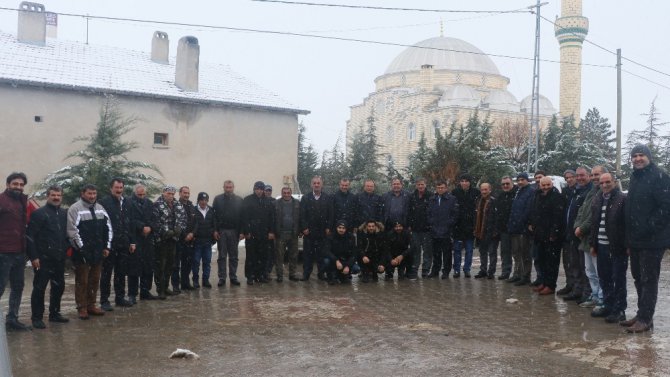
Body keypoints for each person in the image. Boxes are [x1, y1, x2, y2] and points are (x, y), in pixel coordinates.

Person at [622, 145, 670, 333]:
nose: (638, 158)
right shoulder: (635, 177)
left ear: (649, 157)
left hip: (652, 240)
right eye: (634, 156)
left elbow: (666, 207)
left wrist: (649, 227)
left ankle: (645, 318)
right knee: (638, 277)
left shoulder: (660, 177)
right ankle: (641, 313)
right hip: (635, 240)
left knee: (649, 279)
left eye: (641, 155)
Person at [26, 185, 70, 329]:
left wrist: (66, 250)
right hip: (43, 259)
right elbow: (30, 236)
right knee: (39, 288)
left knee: (59, 286)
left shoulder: (64, 213)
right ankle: (37, 317)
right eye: (53, 195)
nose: (56, 198)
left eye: (58, 195)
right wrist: (34, 257)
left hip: (59, 257)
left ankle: (55, 313)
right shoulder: (39, 214)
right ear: (48, 196)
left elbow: (65, 235)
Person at [67, 184, 112, 319]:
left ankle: (91, 304)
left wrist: (106, 246)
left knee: (94, 279)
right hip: (82, 252)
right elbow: (72, 231)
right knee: (82, 281)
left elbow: (108, 228)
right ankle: (82, 307)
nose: (92, 196)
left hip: (98, 251)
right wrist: (81, 249)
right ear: (83, 193)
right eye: (89, 194)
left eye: (94, 194)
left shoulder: (100, 208)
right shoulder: (75, 209)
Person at [589, 173, 627, 323]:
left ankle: (619, 310)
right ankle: (608, 305)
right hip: (601, 246)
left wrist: (627, 245)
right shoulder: (598, 198)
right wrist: (593, 244)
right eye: (602, 182)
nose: (605, 185)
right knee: (604, 278)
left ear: (614, 182)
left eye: (608, 182)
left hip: (617, 247)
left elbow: (627, 224)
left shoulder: (623, 199)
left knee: (618, 279)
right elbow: (594, 223)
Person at [99, 178, 135, 310]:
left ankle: (120, 298)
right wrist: (104, 244)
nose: (119, 190)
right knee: (107, 273)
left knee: (121, 272)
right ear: (111, 188)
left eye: (121, 188)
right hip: (109, 244)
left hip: (124, 243)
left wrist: (132, 241)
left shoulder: (127, 202)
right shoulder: (103, 203)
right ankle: (104, 300)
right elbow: (101, 225)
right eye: (116, 188)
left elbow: (129, 222)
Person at [574, 166, 607, 308]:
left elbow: (594, 216)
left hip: (596, 237)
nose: (594, 177)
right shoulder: (591, 192)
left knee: (600, 271)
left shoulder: (604, 192)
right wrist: (577, 225)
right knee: (590, 271)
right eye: (593, 175)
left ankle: (602, 298)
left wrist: (582, 228)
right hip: (585, 238)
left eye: (597, 174)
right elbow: (582, 211)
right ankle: (594, 295)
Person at [0, 172, 30, 331]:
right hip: (3, 252)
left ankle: (12, 320)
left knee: (18, 287)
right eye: (15, 184)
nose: (18, 187)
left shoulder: (22, 201)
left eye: (21, 185)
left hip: (19, 252)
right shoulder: (1, 200)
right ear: (8, 185)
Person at [528, 177, 565, 295]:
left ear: (552, 184)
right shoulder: (537, 195)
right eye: (543, 185)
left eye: (547, 184)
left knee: (551, 262)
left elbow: (558, 216)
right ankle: (543, 282)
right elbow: (534, 212)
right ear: (539, 185)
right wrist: (532, 224)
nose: (545, 187)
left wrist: (554, 233)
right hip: (539, 233)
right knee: (541, 260)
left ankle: (550, 285)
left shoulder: (556, 196)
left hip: (551, 235)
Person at [562, 167, 593, 302]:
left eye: (582, 175)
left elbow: (588, 215)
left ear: (589, 176)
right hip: (572, 233)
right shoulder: (577, 191)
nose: (579, 178)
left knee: (584, 266)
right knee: (574, 264)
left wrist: (581, 228)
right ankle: (577, 289)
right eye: (578, 176)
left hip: (582, 234)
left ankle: (587, 293)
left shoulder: (590, 192)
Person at [151, 185, 187, 299]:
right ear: (163, 193)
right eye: (168, 193)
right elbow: (155, 222)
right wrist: (167, 232)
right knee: (160, 266)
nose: (171, 196)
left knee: (170, 265)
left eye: (172, 194)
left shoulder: (178, 204)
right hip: (161, 240)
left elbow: (183, 218)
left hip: (174, 240)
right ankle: (160, 290)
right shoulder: (157, 205)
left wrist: (179, 229)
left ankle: (166, 287)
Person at [241, 181, 275, 285]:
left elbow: (272, 217)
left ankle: (261, 275)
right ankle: (250, 276)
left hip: (264, 233)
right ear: (254, 189)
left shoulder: (268, 201)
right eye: (257, 189)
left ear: (263, 190)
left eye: (261, 189)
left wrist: (271, 231)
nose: (259, 191)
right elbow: (244, 217)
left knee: (263, 255)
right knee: (251, 256)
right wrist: (246, 231)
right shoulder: (247, 200)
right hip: (251, 233)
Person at [299, 176, 333, 281]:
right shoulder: (306, 198)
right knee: (307, 255)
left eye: (318, 183)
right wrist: (304, 228)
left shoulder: (327, 198)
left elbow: (331, 214)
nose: (316, 185)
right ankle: (306, 274)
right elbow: (302, 214)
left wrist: (328, 227)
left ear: (321, 185)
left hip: (323, 232)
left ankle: (321, 273)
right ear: (311, 185)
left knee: (321, 255)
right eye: (315, 183)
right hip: (309, 232)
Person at [129, 184, 156, 301]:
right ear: (135, 193)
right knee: (134, 268)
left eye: (143, 194)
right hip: (136, 238)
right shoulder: (129, 203)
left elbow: (155, 218)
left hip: (148, 239)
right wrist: (141, 227)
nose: (142, 196)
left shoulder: (149, 203)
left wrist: (150, 227)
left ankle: (145, 291)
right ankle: (132, 294)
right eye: (139, 194)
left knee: (148, 267)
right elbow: (129, 219)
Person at [213, 180, 243, 287]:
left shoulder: (239, 200)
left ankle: (233, 277)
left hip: (234, 231)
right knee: (222, 256)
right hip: (222, 231)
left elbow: (242, 218)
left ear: (233, 187)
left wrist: (242, 232)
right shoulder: (218, 199)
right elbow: (214, 217)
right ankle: (222, 278)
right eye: (227, 187)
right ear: (223, 187)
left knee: (234, 256)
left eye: (230, 187)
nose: (228, 189)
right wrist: (215, 230)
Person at [507, 172, 535, 286]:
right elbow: (514, 210)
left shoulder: (530, 192)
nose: (520, 182)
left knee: (525, 254)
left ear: (527, 180)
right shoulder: (519, 191)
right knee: (516, 253)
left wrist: (524, 223)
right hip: (515, 227)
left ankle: (525, 276)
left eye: (522, 179)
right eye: (518, 180)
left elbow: (528, 210)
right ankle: (517, 274)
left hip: (523, 228)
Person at [427, 180, 459, 278]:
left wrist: (449, 224)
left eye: (442, 187)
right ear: (436, 188)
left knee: (447, 253)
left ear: (446, 188)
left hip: (446, 231)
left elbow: (455, 214)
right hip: (434, 230)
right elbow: (428, 213)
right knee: (436, 253)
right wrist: (431, 223)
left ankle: (446, 271)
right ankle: (435, 271)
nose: (440, 189)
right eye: (438, 187)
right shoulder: (432, 199)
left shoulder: (452, 199)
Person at [452, 174, 480, 278]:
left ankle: (467, 269)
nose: (464, 183)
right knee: (457, 250)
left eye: (466, 181)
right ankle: (456, 270)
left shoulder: (476, 192)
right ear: (459, 182)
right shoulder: (455, 193)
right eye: (462, 181)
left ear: (470, 182)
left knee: (469, 250)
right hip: (458, 226)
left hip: (470, 226)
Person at [557, 169, 577, 295]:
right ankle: (569, 284)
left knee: (576, 262)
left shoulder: (579, 191)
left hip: (575, 231)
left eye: (571, 177)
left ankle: (577, 287)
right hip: (565, 231)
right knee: (566, 261)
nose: (569, 179)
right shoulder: (565, 191)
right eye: (567, 178)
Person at [407, 178, 433, 279]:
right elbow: (409, 211)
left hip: (427, 229)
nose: (420, 186)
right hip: (415, 228)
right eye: (418, 184)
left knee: (427, 251)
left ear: (425, 185)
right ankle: (414, 269)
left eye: (422, 184)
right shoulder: (412, 196)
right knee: (415, 250)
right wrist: (409, 224)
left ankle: (426, 270)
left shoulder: (431, 196)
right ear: (416, 185)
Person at [192, 192, 218, 288]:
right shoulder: (193, 210)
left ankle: (205, 280)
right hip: (197, 241)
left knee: (207, 262)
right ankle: (195, 281)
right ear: (198, 200)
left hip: (207, 241)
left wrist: (214, 231)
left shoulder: (211, 210)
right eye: (202, 200)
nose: (203, 202)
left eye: (205, 200)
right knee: (196, 262)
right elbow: (191, 224)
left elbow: (214, 223)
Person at [274, 186, 301, 282]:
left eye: (288, 193)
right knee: (279, 256)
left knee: (293, 256)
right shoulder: (276, 203)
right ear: (282, 193)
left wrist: (300, 230)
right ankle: (279, 275)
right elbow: (273, 218)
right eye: (284, 193)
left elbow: (300, 218)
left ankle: (292, 274)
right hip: (280, 234)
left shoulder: (297, 203)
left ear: (291, 193)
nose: (286, 194)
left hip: (293, 234)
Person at [473, 183, 498, 279]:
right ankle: (483, 270)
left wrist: (495, 230)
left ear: (490, 190)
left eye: (486, 189)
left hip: (491, 231)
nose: (484, 191)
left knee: (492, 252)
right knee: (482, 252)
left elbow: (497, 217)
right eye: (482, 189)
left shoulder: (494, 201)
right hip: (480, 231)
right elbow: (475, 216)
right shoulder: (478, 200)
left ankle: (491, 272)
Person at [173, 186, 195, 291]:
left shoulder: (191, 205)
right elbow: (176, 223)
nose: (186, 195)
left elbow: (196, 222)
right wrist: (185, 234)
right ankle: (176, 286)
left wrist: (192, 233)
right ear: (180, 193)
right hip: (179, 239)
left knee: (187, 263)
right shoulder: (175, 205)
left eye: (188, 193)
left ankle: (185, 283)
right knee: (176, 265)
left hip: (190, 239)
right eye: (184, 193)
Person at [496, 176, 516, 280]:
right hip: (504, 229)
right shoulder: (500, 196)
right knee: (505, 252)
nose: (505, 186)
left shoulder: (517, 194)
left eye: (507, 183)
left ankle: (518, 273)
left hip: (516, 229)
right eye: (503, 184)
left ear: (512, 183)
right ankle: (506, 271)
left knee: (517, 253)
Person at [264, 184, 277, 278]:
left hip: (271, 232)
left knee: (270, 254)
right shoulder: (260, 200)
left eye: (270, 190)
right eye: (266, 190)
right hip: (261, 232)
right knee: (262, 253)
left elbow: (275, 218)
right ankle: (261, 271)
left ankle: (268, 271)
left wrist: (272, 231)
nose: (268, 192)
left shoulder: (274, 202)